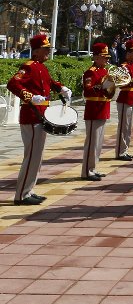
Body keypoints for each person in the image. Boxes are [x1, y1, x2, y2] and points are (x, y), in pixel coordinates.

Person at [7, 33, 71, 205]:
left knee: (37, 156)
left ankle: (29, 190)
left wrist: (61, 88)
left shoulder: (41, 67)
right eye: (45, 49)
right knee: (31, 156)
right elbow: (13, 83)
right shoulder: (28, 66)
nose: (48, 52)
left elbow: (48, 82)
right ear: (35, 51)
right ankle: (21, 195)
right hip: (31, 115)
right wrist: (29, 96)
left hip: (41, 114)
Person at [81, 41, 112, 180]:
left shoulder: (104, 71)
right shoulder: (90, 72)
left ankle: (93, 168)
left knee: (98, 143)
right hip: (94, 110)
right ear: (96, 57)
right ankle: (86, 171)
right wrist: (98, 87)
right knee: (92, 143)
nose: (106, 59)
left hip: (103, 108)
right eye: (104, 57)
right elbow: (87, 91)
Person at [115, 39, 133, 161]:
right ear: (128, 53)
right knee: (123, 127)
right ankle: (120, 152)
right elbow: (122, 83)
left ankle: (125, 149)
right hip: (125, 97)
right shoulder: (124, 66)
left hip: (132, 97)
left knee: (128, 127)